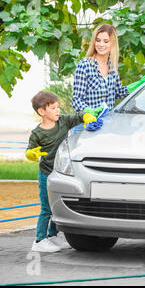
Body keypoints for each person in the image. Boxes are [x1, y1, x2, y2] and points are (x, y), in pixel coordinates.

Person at [26, 91, 99, 252]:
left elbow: (80, 116)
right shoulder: (37, 133)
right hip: (46, 172)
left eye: (57, 107)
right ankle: (39, 240)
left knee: (57, 205)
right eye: (53, 108)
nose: (58, 111)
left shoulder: (63, 122)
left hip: (61, 172)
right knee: (46, 208)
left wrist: (88, 117)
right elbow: (29, 151)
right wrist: (31, 154)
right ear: (42, 112)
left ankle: (53, 236)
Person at [72, 24, 129, 132]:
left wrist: (139, 84)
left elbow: (117, 92)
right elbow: (77, 100)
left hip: (106, 126)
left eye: (106, 41)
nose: (101, 44)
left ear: (112, 44)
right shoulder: (84, 65)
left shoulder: (112, 67)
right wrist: (89, 112)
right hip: (85, 126)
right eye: (98, 40)